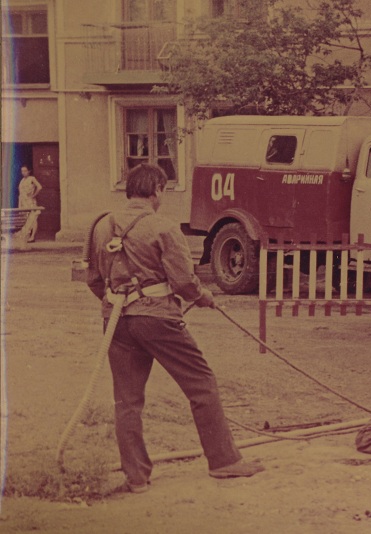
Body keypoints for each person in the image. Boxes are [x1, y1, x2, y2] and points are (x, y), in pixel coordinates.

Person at [85, 163, 264, 493]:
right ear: (156, 191)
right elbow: (184, 283)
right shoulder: (164, 227)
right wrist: (202, 296)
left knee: (127, 401)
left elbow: (94, 280)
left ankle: (136, 478)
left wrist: (120, 302)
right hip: (158, 320)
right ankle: (223, 462)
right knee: (201, 384)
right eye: (163, 191)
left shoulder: (100, 226)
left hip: (116, 321)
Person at [18, 165, 42, 242]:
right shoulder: (22, 180)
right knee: (26, 219)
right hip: (23, 202)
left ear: (29, 171)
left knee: (33, 218)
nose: (23, 172)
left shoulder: (32, 178)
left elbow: (39, 187)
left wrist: (33, 195)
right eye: (22, 171)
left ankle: (32, 236)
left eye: (25, 171)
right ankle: (26, 235)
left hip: (30, 202)